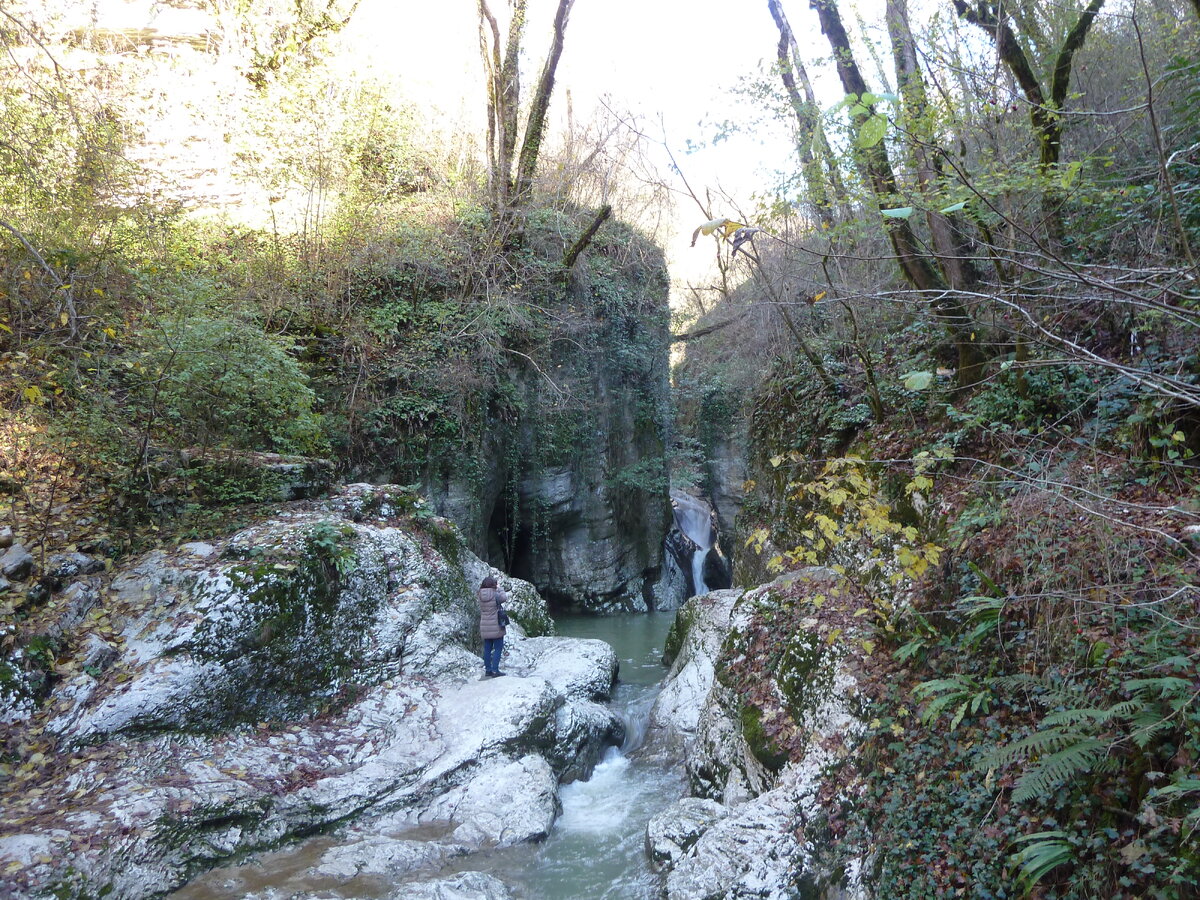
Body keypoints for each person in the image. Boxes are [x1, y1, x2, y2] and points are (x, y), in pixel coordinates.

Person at [478, 575, 508, 677]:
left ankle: (488, 670)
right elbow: (504, 598)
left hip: (484, 625)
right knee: (498, 648)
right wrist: (500, 589)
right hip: (496, 625)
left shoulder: (480, 594)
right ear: (493, 584)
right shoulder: (496, 594)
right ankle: (495, 670)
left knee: (487, 649)